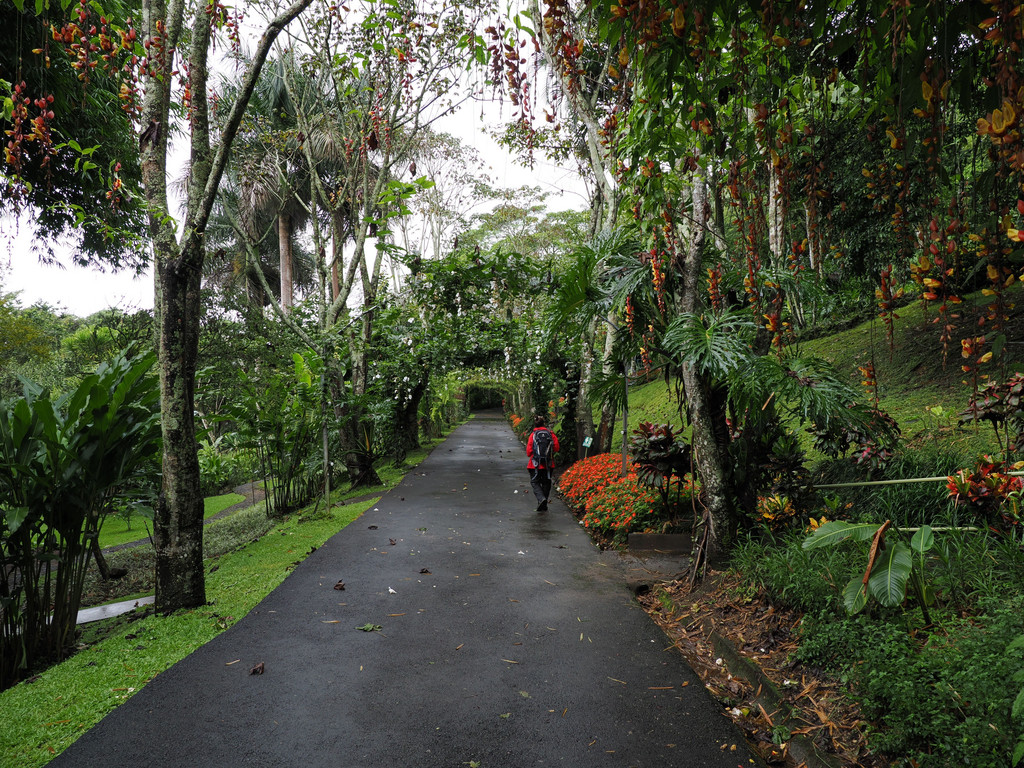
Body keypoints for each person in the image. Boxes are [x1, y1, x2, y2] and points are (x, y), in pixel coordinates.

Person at [526, 415, 559, 512]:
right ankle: (543, 503)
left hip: (534, 464)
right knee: (546, 482)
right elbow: (556, 448)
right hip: (548, 464)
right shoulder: (550, 434)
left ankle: (541, 499)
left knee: (534, 482)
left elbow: (528, 452)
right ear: (544, 423)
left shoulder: (533, 435)